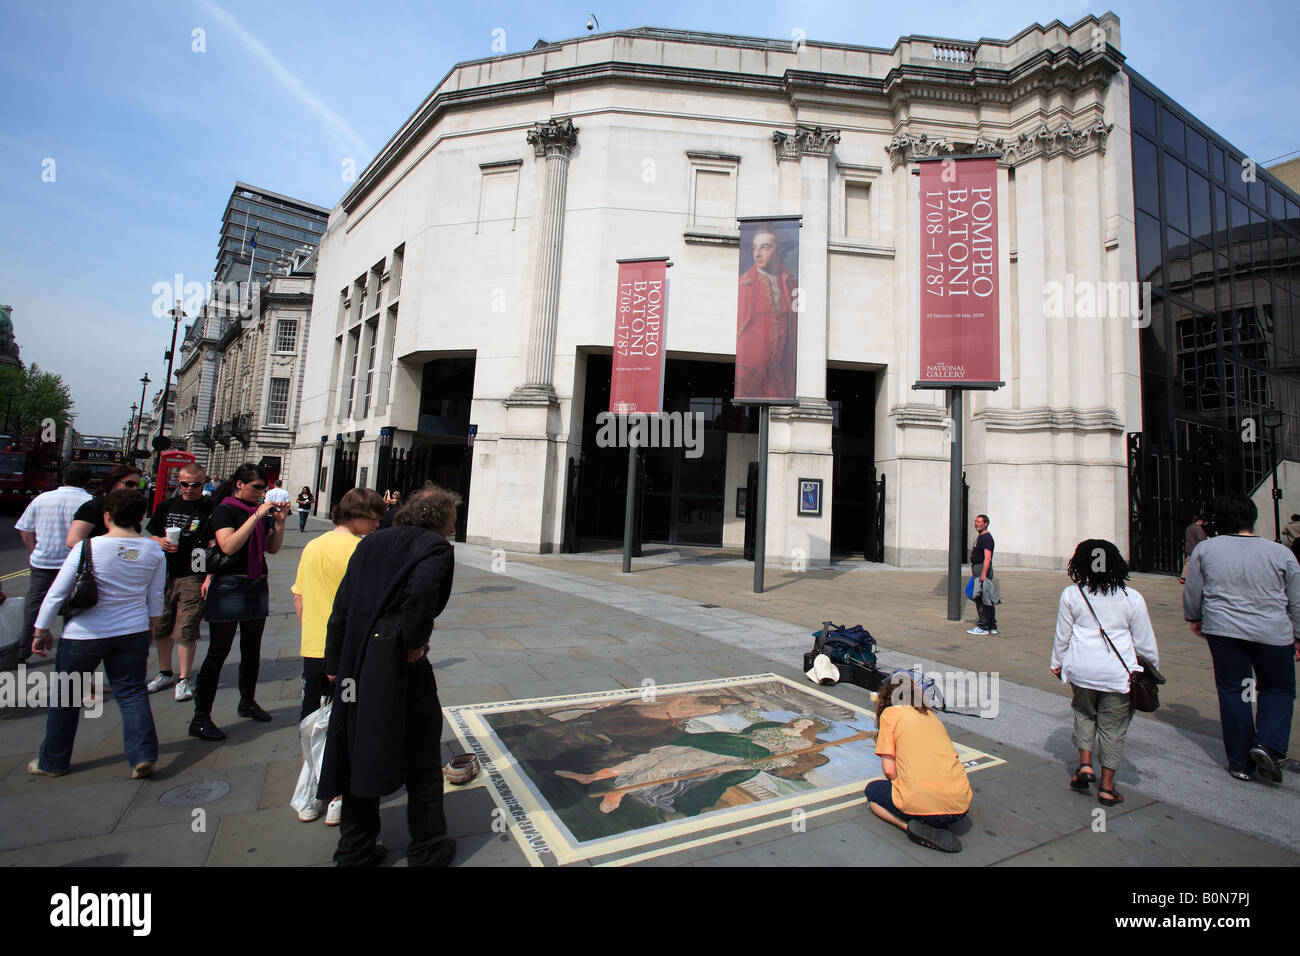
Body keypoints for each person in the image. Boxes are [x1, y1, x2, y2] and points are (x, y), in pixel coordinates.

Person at [318, 485, 461, 867]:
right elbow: (421, 596)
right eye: (452, 516)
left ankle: (355, 850)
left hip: (355, 659)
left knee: (357, 744)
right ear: (439, 518)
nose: (454, 522)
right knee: (422, 748)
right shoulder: (435, 548)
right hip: (397, 661)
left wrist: (333, 663)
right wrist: (414, 643)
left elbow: (342, 603)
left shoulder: (370, 542)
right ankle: (428, 847)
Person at [27, 489, 166, 778]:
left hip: (85, 633)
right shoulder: (154, 550)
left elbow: (56, 594)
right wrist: (151, 625)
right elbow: (155, 597)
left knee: (66, 696)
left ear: (106, 516)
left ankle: (52, 761)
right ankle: (143, 756)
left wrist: (41, 629)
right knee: (132, 692)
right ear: (141, 517)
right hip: (133, 630)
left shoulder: (87, 548)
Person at [1184, 494, 1300, 783]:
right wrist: (1298, 634)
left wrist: (1195, 617)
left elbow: (1193, 590)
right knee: (1278, 689)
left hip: (1224, 630)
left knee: (1234, 690)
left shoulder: (1207, 549)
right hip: (1272, 633)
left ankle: (1239, 761)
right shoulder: (1279, 552)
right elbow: (1296, 600)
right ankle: (1268, 744)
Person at [291, 487, 385, 823]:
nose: (377, 522)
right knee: (344, 724)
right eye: (373, 516)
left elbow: (299, 598)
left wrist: (313, 634)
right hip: (349, 653)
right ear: (356, 515)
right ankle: (338, 798)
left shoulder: (313, 546)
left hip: (314, 649)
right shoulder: (363, 550)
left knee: (313, 722)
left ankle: (310, 795)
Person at [1052, 538, 1159, 806]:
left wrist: (1057, 663)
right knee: (1113, 729)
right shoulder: (1131, 598)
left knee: (1084, 715)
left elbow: (1062, 636)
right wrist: (1149, 671)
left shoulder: (1072, 594)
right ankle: (1107, 786)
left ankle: (1085, 765)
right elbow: (1145, 643)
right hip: (1117, 675)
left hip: (1082, 668)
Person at [188, 463, 287, 741]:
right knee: (218, 653)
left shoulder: (258, 512)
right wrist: (256, 516)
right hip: (230, 586)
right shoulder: (226, 510)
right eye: (256, 487)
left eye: (263, 488)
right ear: (240, 485)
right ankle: (201, 717)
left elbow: (273, 547)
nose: (261, 492)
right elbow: (228, 546)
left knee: (252, 651)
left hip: (257, 584)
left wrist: (279, 522)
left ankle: (248, 701)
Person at [864, 668, 972, 853]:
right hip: (961, 807)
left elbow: (889, 770)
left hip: (923, 806)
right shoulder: (931, 716)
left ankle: (911, 828)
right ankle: (928, 818)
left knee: (872, 793)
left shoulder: (890, 715)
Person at [144, 461, 213, 702]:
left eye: (194, 484)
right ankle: (165, 673)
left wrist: (209, 577)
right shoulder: (166, 506)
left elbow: (216, 544)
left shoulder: (210, 508)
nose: (189, 488)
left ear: (203, 483)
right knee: (162, 625)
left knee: (186, 628)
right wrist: (158, 541)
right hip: (164, 573)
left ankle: (184, 679)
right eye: (184, 483)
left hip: (194, 573)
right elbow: (151, 533)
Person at [14, 462, 93, 663]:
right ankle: (68, 653)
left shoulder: (42, 499)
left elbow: (25, 529)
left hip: (43, 561)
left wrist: (34, 550)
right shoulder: (90, 502)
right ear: (88, 481)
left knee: (35, 605)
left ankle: (24, 650)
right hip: (75, 564)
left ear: (63, 478)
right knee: (74, 608)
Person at [735, 228, 797, 399]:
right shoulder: (743, 284)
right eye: (754, 248)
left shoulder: (792, 284)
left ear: (779, 250)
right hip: (745, 380)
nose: (757, 254)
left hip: (778, 379)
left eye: (765, 247)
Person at [67, 464, 144, 544]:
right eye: (130, 484)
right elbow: (73, 541)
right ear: (113, 482)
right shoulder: (94, 506)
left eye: (137, 486)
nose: (134, 489)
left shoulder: (131, 508)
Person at [967, 514, 997, 635]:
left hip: (981, 570)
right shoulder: (981, 537)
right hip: (978, 569)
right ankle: (992, 625)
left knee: (980, 598)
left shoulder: (986, 538)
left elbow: (987, 558)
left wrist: (983, 574)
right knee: (987, 598)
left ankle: (983, 627)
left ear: (986, 524)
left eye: (979, 522)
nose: (976, 523)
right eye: (975, 521)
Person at [1181, 513, 1207, 583]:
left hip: (1189, 546)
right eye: (1202, 521)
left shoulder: (1189, 528)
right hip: (1195, 547)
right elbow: (1201, 538)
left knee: (1188, 562)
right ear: (1199, 521)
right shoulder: (1198, 528)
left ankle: (1184, 577)